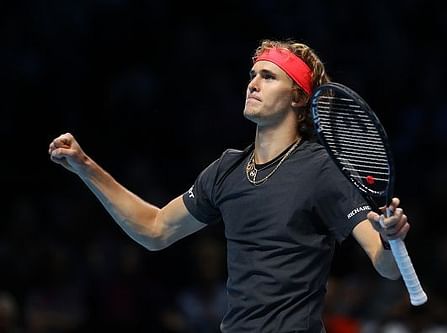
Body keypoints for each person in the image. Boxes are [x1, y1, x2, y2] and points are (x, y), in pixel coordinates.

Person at [48, 39, 411, 333]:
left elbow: (385, 264)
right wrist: (85, 167)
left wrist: (391, 238)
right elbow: (154, 229)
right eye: (253, 75)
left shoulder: (321, 168)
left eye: (269, 77)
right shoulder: (227, 170)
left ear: (298, 97)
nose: (252, 83)